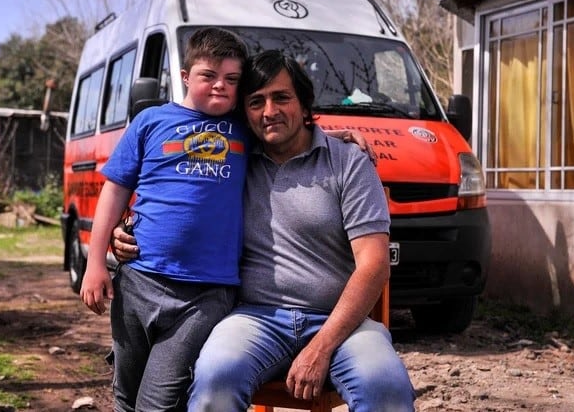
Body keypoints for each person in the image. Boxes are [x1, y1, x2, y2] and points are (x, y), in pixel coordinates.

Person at [113, 50, 415, 411]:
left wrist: (321, 347)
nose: (269, 111)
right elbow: (176, 200)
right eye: (256, 102)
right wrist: (127, 230)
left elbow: (374, 264)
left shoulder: (348, 162)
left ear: (305, 106)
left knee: (386, 389)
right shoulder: (232, 159)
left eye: (281, 98)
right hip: (253, 318)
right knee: (214, 386)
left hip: (340, 322)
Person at [80, 27, 250, 412]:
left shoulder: (246, 129)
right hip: (138, 282)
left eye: (232, 79)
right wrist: (94, 263)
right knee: (126, 394)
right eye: (209, 75)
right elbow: (115, 190)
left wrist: (338, 137)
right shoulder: (150, 121)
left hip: (206, 294)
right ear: (186, 77)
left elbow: (291, 134)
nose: (221, 86)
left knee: (158, 401)